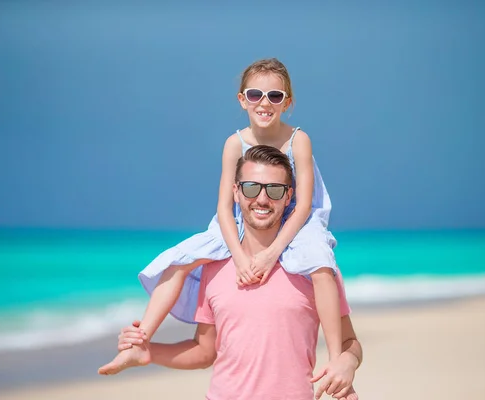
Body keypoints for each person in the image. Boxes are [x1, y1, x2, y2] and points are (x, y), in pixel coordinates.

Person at [99, 58, 343, 378]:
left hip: (297, 216)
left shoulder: (299, 139)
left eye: (275, 96)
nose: (265, 103)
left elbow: (304, 204)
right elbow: (224, 208)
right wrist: (240, 258)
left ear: (288, 102)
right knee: (182, 259)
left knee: (322, 264)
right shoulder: (234, 143)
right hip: (243, 219)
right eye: (255, 95)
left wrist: (271, 254)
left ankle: (337, 356)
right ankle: (139, 340)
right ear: (242, 100)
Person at [111, 146, 363, 400]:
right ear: (236, 192)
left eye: (274, 190)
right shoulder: (214, 266)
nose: (262, 200)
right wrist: (148, 351)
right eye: (251, 188)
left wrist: (348, 362)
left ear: (289, 197)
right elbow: (204, 351)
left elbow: (348, 342)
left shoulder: (316, 268)